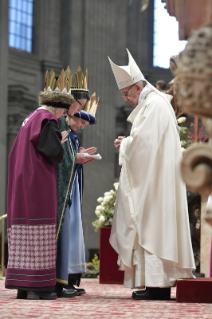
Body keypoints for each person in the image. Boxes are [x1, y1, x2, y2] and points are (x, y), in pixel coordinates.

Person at [108, 49, 195, 300]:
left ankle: (158, 285)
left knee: (154, 227)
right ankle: (154, 284)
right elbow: (147, 141)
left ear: (137, 86)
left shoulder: (155, 104)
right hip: (156, 178)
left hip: (157, 184)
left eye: (126, 93)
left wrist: (126, 144)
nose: (125, 99)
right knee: (151, 227)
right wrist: (130, 141)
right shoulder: (153, 103)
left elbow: (144, 145)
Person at [5, 67, 82, 300]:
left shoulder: (31, 117)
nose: (62, 115)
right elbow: (52, 152)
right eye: (63, 110)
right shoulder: (48, 118)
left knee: (24, 232)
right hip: (37, 184)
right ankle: (40, 287)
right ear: (58, 105)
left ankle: (23, 286)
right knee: (40, 230)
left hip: (21, 184)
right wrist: (60, 141)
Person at [56, 67, 100, 298]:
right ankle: (61, 280)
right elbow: (58, 156)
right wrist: (77, 157)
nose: (81, 119)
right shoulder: (59, 124)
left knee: (73, 231)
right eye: (79, 108)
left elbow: (67, 155)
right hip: (62, 190)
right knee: (66, 231)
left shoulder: (71, 133)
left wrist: (79, 155)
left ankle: (69, 279)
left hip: (71, 187)